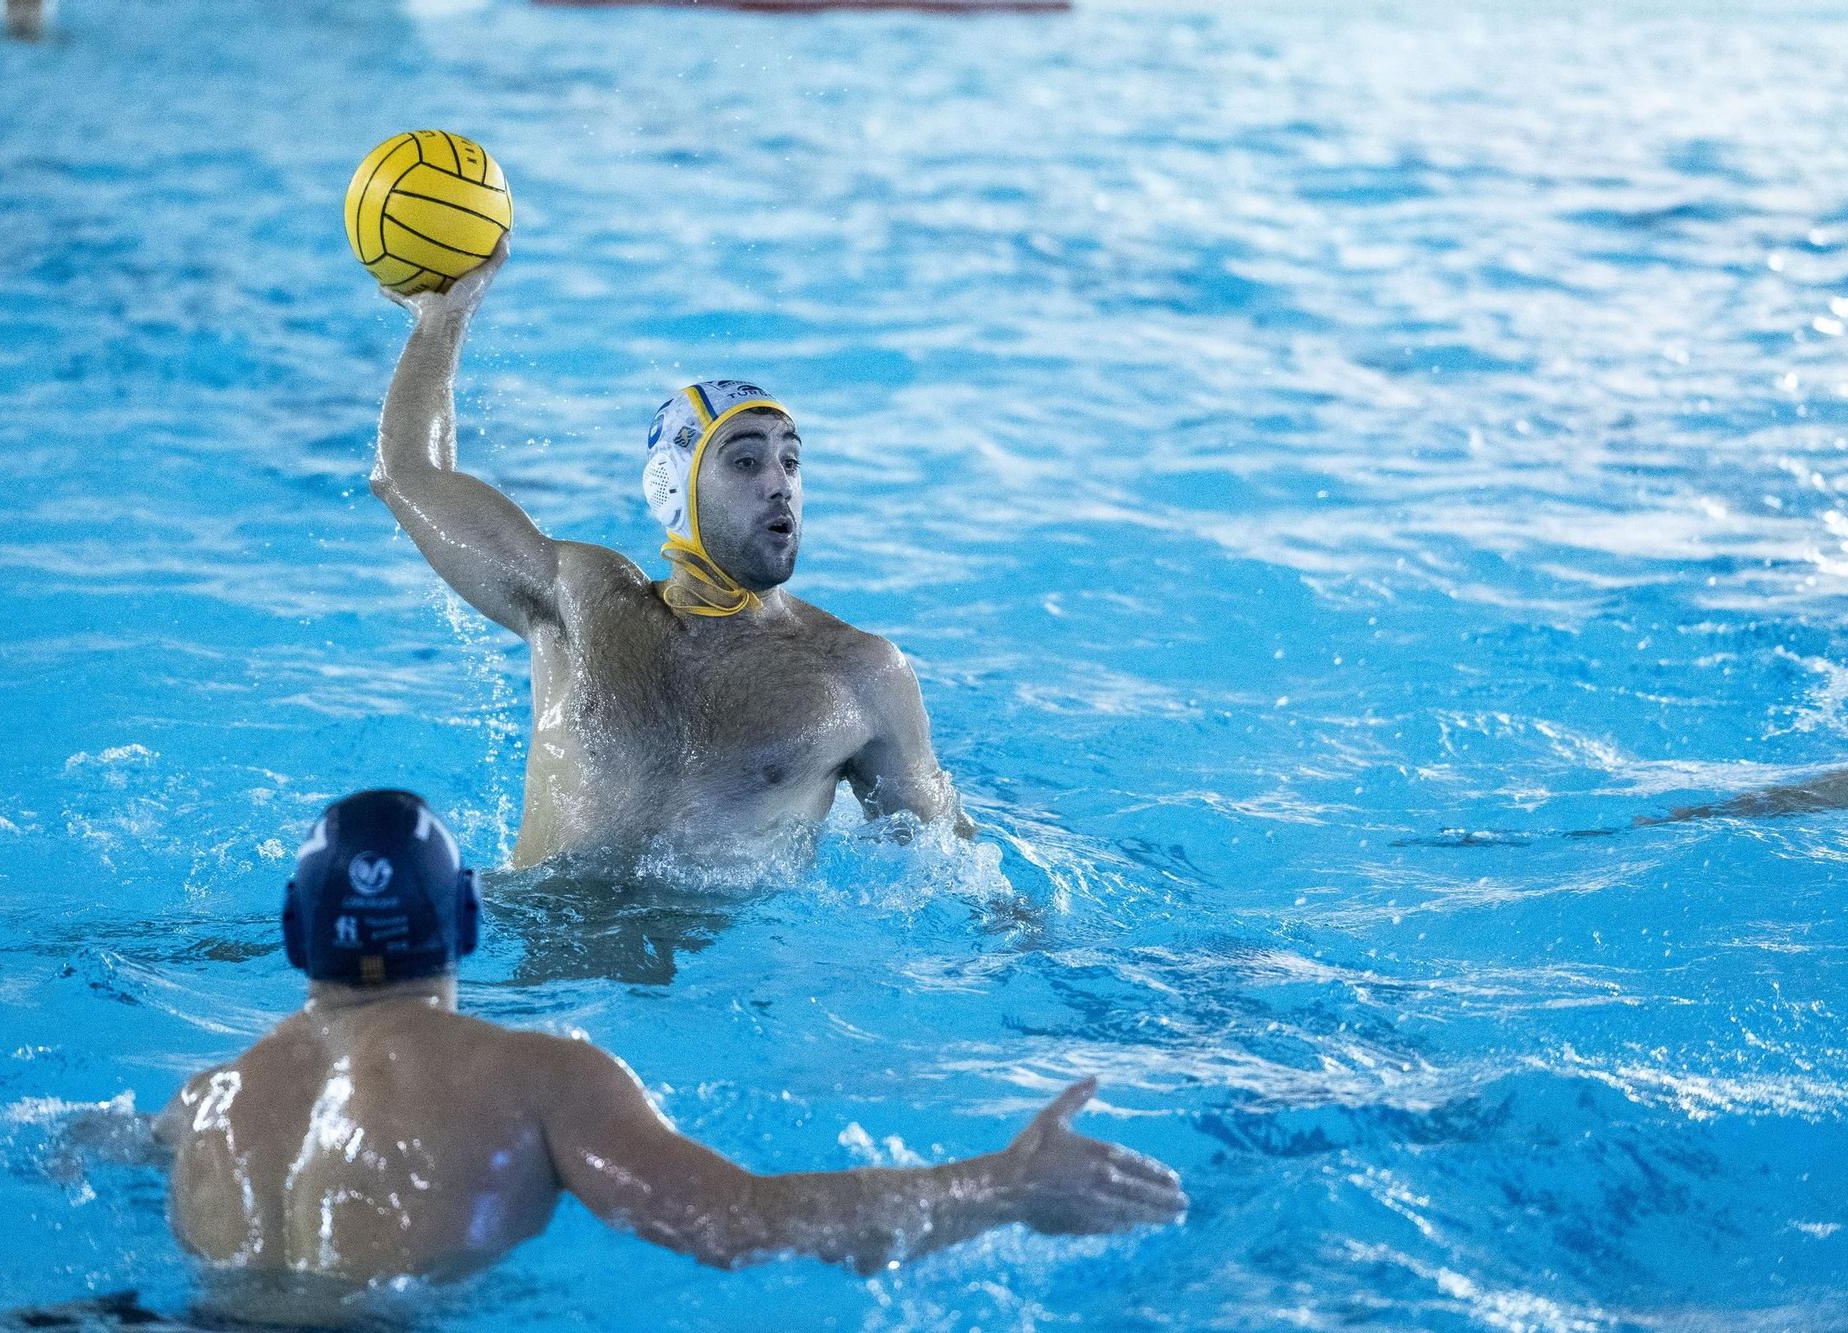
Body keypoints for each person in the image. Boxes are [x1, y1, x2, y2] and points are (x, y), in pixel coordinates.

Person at [151, 790, 1183, 1296]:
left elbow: (81, 1143)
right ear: (464, 919)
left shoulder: (201, 1102)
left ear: (294, 931)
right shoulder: (541, 1076)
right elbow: (725, 1225)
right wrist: (1002, 1184)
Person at [370, 242, 970, 869]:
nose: (779, 483)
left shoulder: (860, 674)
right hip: (533, 930)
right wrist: (444, 318)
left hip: (717, 966)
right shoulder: (582, 600)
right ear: (671, 488)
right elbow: (407, 475)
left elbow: (948, 864)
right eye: (745, 461)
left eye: (791, 461)